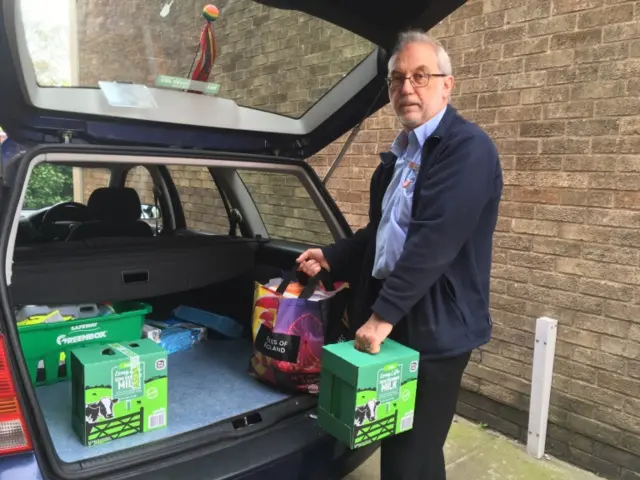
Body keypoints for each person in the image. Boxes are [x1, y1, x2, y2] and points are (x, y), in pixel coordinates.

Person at [297, 30, 503, 480]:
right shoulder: (398, 158)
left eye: (420, 76)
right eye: (396, 79)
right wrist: (332, 256)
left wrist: (381, 315)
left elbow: (435, 240)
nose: (406, 87)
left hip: (435, 328)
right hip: (399, 319)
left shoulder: (467, 149)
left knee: (409, 454)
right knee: (412, 448)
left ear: (447, 84)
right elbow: (382, 233)